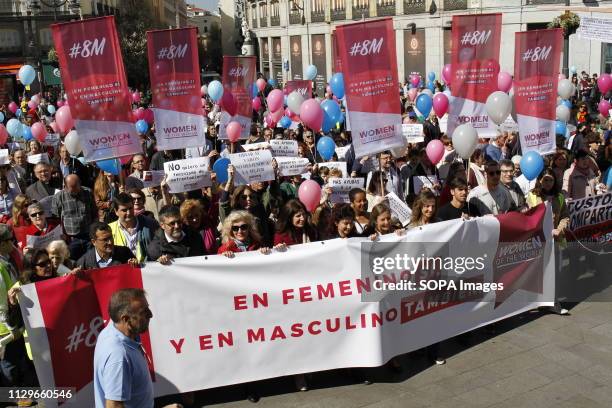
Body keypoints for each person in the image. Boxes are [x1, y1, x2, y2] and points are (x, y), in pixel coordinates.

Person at [94, 288, 154, 408]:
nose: (150, 315)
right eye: (143, 312)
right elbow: (114, 405)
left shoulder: (114, 328)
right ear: (126, 319)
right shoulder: (119, 357)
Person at [52, 174, 96, 260]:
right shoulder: (58, 197)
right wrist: (62, 236)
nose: (75, 190)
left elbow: (94, 212)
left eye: (77, 187)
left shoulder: (88, 192)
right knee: (73, 262)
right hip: (71, 239)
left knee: (91, 260)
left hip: (88, 235)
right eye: (72, 188)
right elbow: (55, 219)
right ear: (65, 186)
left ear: (80, 183)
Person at [108, 193, 159, 264]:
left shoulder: (151, 224)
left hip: (148, 270)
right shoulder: (110, 229)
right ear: (116, 211)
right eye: (124, 210)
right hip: (124, 271)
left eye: (130, 208)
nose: (128, 212)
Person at [218, 210, 285, 257]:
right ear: (230, 230)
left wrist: (271, 251)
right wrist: (223, 257)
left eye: (244, 227)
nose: (240, 231)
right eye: (235, 228)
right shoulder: (224, 249)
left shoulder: (258, 245)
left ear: (249, 228)